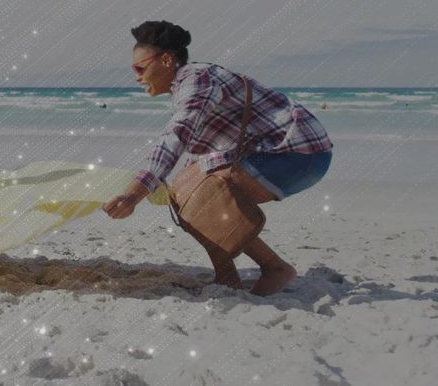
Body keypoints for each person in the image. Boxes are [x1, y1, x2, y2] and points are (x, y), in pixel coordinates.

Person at [102, 21, 332, 296]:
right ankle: (227, 277)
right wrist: (170, 188)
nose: (137, 77)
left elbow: (176, 136)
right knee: (183, 192)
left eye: (139, 68)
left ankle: (274, 268)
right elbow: (196, 155)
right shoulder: (189, 85)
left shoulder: (196, 79)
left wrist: (133, 194)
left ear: (166, 60)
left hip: (298, 153)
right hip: (281, 155)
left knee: (198, 196)